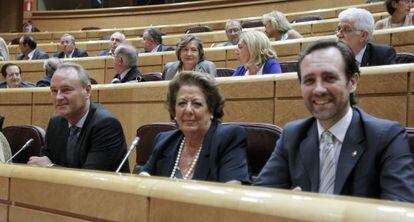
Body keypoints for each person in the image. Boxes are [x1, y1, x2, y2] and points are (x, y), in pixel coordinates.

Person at [254, 40, 414, 202]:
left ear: (352, 82)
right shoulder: (292, 135)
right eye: (309, 80)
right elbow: (257, 200)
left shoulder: (386, 137)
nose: (318, 89)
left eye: (329, 78)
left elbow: (400, 210)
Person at [139, 71, 250, 184]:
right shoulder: (164, 141)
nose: (188, 110)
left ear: (211, 109)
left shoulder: (228, 138)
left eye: (196, 104)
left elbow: (232, 191)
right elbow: (141, 183)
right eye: (182, 103)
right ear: (174, 110)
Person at [27, 62, 129, 172]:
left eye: (66, 90)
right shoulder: (56, 122)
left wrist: (51, 167)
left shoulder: (106, 125)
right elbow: (42, 162)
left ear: (87, 91)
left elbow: (90, 178)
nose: (58, 97)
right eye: (54, 91)